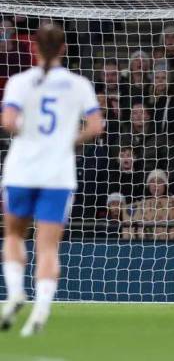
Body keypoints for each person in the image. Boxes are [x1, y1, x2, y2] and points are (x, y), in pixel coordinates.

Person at [0, 24, 104, 336]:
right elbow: (96, 126)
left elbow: (8, 121)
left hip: (22, 170)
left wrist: (32, 134)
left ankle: (15, 292)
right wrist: (68, 140)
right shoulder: (79, 84)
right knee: (48, 247)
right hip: (57, 174)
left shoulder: (19, 82)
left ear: (34, 48)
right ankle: (41, 310)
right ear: (63, 49)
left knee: (14, 235)